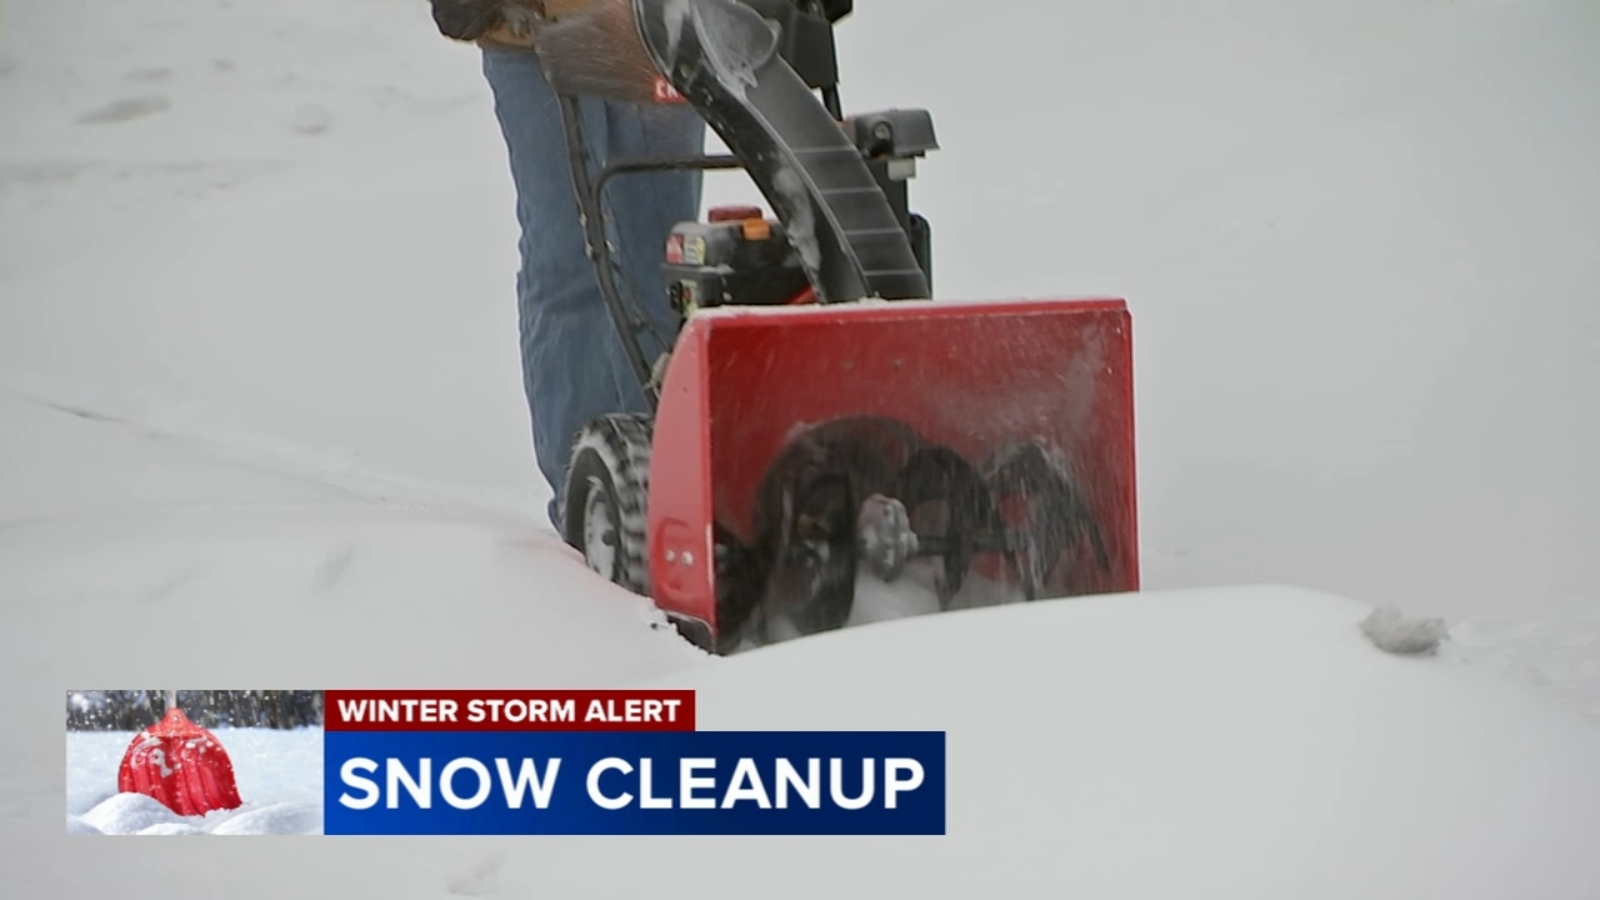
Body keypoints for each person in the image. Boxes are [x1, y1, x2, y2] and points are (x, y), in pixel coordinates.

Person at [429, 1, 706, 528]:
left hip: (651, 29)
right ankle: (587, 499)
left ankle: (667, 485)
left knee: (664, 265)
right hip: (529, 33)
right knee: (570, 258)